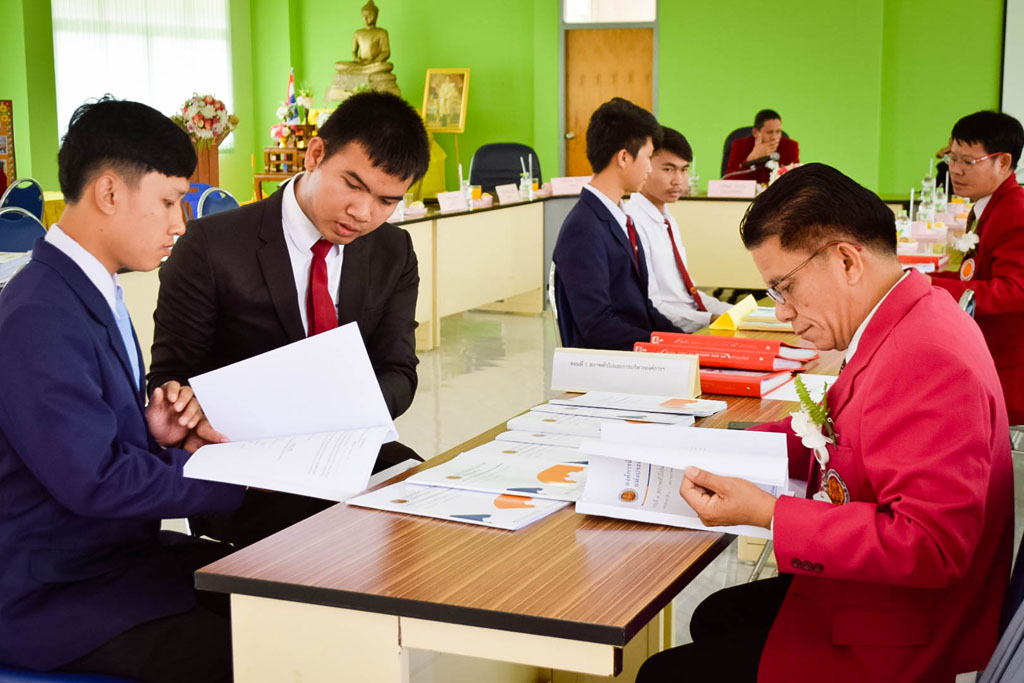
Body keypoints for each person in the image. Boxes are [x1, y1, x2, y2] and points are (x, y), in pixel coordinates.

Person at [637, 164, 1012, 682]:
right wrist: (708, 449)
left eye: (783, 287)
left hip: (899, 631)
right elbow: (833, 430)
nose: (783, 312)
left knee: (663, 673)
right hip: (881, 597)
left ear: (845, 260)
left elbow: (931, 546)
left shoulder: (925, 356)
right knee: (714, 615)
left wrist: (770, 514)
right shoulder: (902, 317)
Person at [0, 97, 245, 682]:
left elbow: (80, 439)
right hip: (54, 591)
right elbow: (95, 480)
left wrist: (150, 433)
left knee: (281, 590)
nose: (179, 223)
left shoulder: (90, 288)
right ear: (109, 192)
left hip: (110, 558)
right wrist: (235, 475)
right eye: (168, 202)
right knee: (260, 648)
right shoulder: (38, 314)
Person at [149, 90, 430, 547]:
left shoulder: (392, 251)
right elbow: (172, 376)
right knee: (330, 553)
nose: (363, 213)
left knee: (433, 527)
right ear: (315, 154)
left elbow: (399, 373)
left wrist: (333, 411)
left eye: (387, 201)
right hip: (247, 470)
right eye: (353, 185)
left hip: (350, 452)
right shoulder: (211, 247)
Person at [552, 97, 680, 349]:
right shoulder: (583, 229)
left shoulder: (620, 217)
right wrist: (664, 347)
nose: (650, 169)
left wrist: (689, 342)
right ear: (624, 157)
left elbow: (643, 310)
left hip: (637, 353)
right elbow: (597, 327)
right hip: (612, 362)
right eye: (648, 157)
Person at [930, 110, 1024, 426]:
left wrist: (930, 286)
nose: (955, 170)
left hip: (1007, 368)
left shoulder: (1015, 211)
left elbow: (1012, 292)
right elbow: (975, 274)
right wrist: (917, 278)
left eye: (968, 162)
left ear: (1004, 162)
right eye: (952, 158)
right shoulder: (989, 204)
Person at [625, 126, 732, 332]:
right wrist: (711, 319)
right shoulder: (632, 223)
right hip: (670, 330)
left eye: (683, 170)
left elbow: (687, 296)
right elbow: (652, 306)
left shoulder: (667, 218)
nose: (678, 181)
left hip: (690, 321)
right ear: (644, 165)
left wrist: (733, 312)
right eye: (668, 169)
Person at [724, 109, 800, 184]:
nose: (775, 137)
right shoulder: (740, 145)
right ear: (755, 133)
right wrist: (752, 159)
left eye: (778, 131)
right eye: (769, 132)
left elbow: (796, 179)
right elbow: (728, 179)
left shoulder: (790, 146)